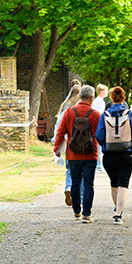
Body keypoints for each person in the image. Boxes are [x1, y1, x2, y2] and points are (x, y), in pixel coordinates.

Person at [53, 85, 102, 223]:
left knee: (75, 183)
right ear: (91, 98)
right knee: (88, 184)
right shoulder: (96, 114)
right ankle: (86, 215)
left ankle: (76, 212)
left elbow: (60, 132)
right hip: (90, 155)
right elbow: (101, 135)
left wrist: (57, 149)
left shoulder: (69, 112)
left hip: (72, 154)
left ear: (80, 96)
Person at [95, 86, 132, 224]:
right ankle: (118, 214)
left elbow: (99, 134)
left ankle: (117, 208)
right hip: (126, 153)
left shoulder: (105, 114)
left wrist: (105, 145)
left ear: (111, 98)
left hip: (109, 155)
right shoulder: (129, 114)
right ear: (124, 98)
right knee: (123, 184)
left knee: (114, 183)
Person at [53, 80, 82, 207]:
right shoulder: (81, 106)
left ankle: (68, 187)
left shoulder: (64, 105)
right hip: (80, 140)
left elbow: (58, 125)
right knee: (81, 170)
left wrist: (56, 143)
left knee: (70, 168)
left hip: (67, 140)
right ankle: (78, 198)